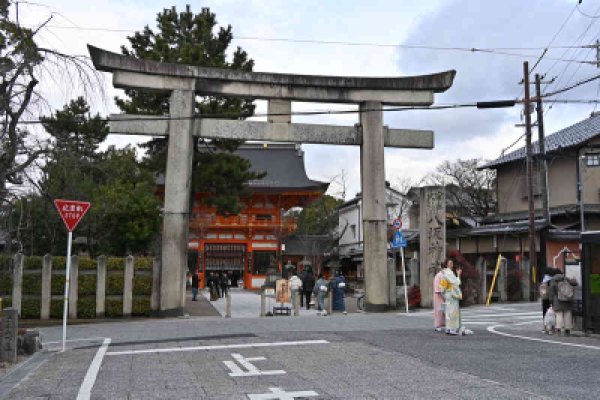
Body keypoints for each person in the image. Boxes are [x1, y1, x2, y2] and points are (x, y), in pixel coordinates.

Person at [549, 270, 578, 336]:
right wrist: (573, 279)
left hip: (557, 300)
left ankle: (558, 329)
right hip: (568, 299)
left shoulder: (553, 280)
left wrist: (551, 301)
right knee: (567, 314)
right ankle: (567, 329)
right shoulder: (566, 278)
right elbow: (575, 284)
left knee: (559, 314)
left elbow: (551, 292)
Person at [439, 258, 462, 335]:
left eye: (452, 263)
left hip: (447, 294)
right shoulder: (449, 273)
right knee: (453, 311)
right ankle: (452, 329)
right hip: (452, 294)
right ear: (448, 264)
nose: (452, 265)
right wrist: (458, 275)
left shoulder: (444, 273)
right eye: (450, 263)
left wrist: (443, 293)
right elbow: (455, 283)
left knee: (448, 311)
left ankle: (448, 328)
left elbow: (442, 286)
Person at [540, 267, 558, 333]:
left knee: (545, 313)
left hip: (544, 298)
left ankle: (545, 327)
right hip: (550, 298)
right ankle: (552, 327)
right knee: (553, 314)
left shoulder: (544, 280)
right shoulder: (552, 280)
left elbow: (542, 291)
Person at [433, 263, 445, 332]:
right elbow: (437, 287)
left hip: (443, 294)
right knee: (439, 311)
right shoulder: (439, 275)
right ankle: (437, 325)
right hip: (438, 295)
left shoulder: (443, 275)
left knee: (443, 311)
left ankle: (443, 324)